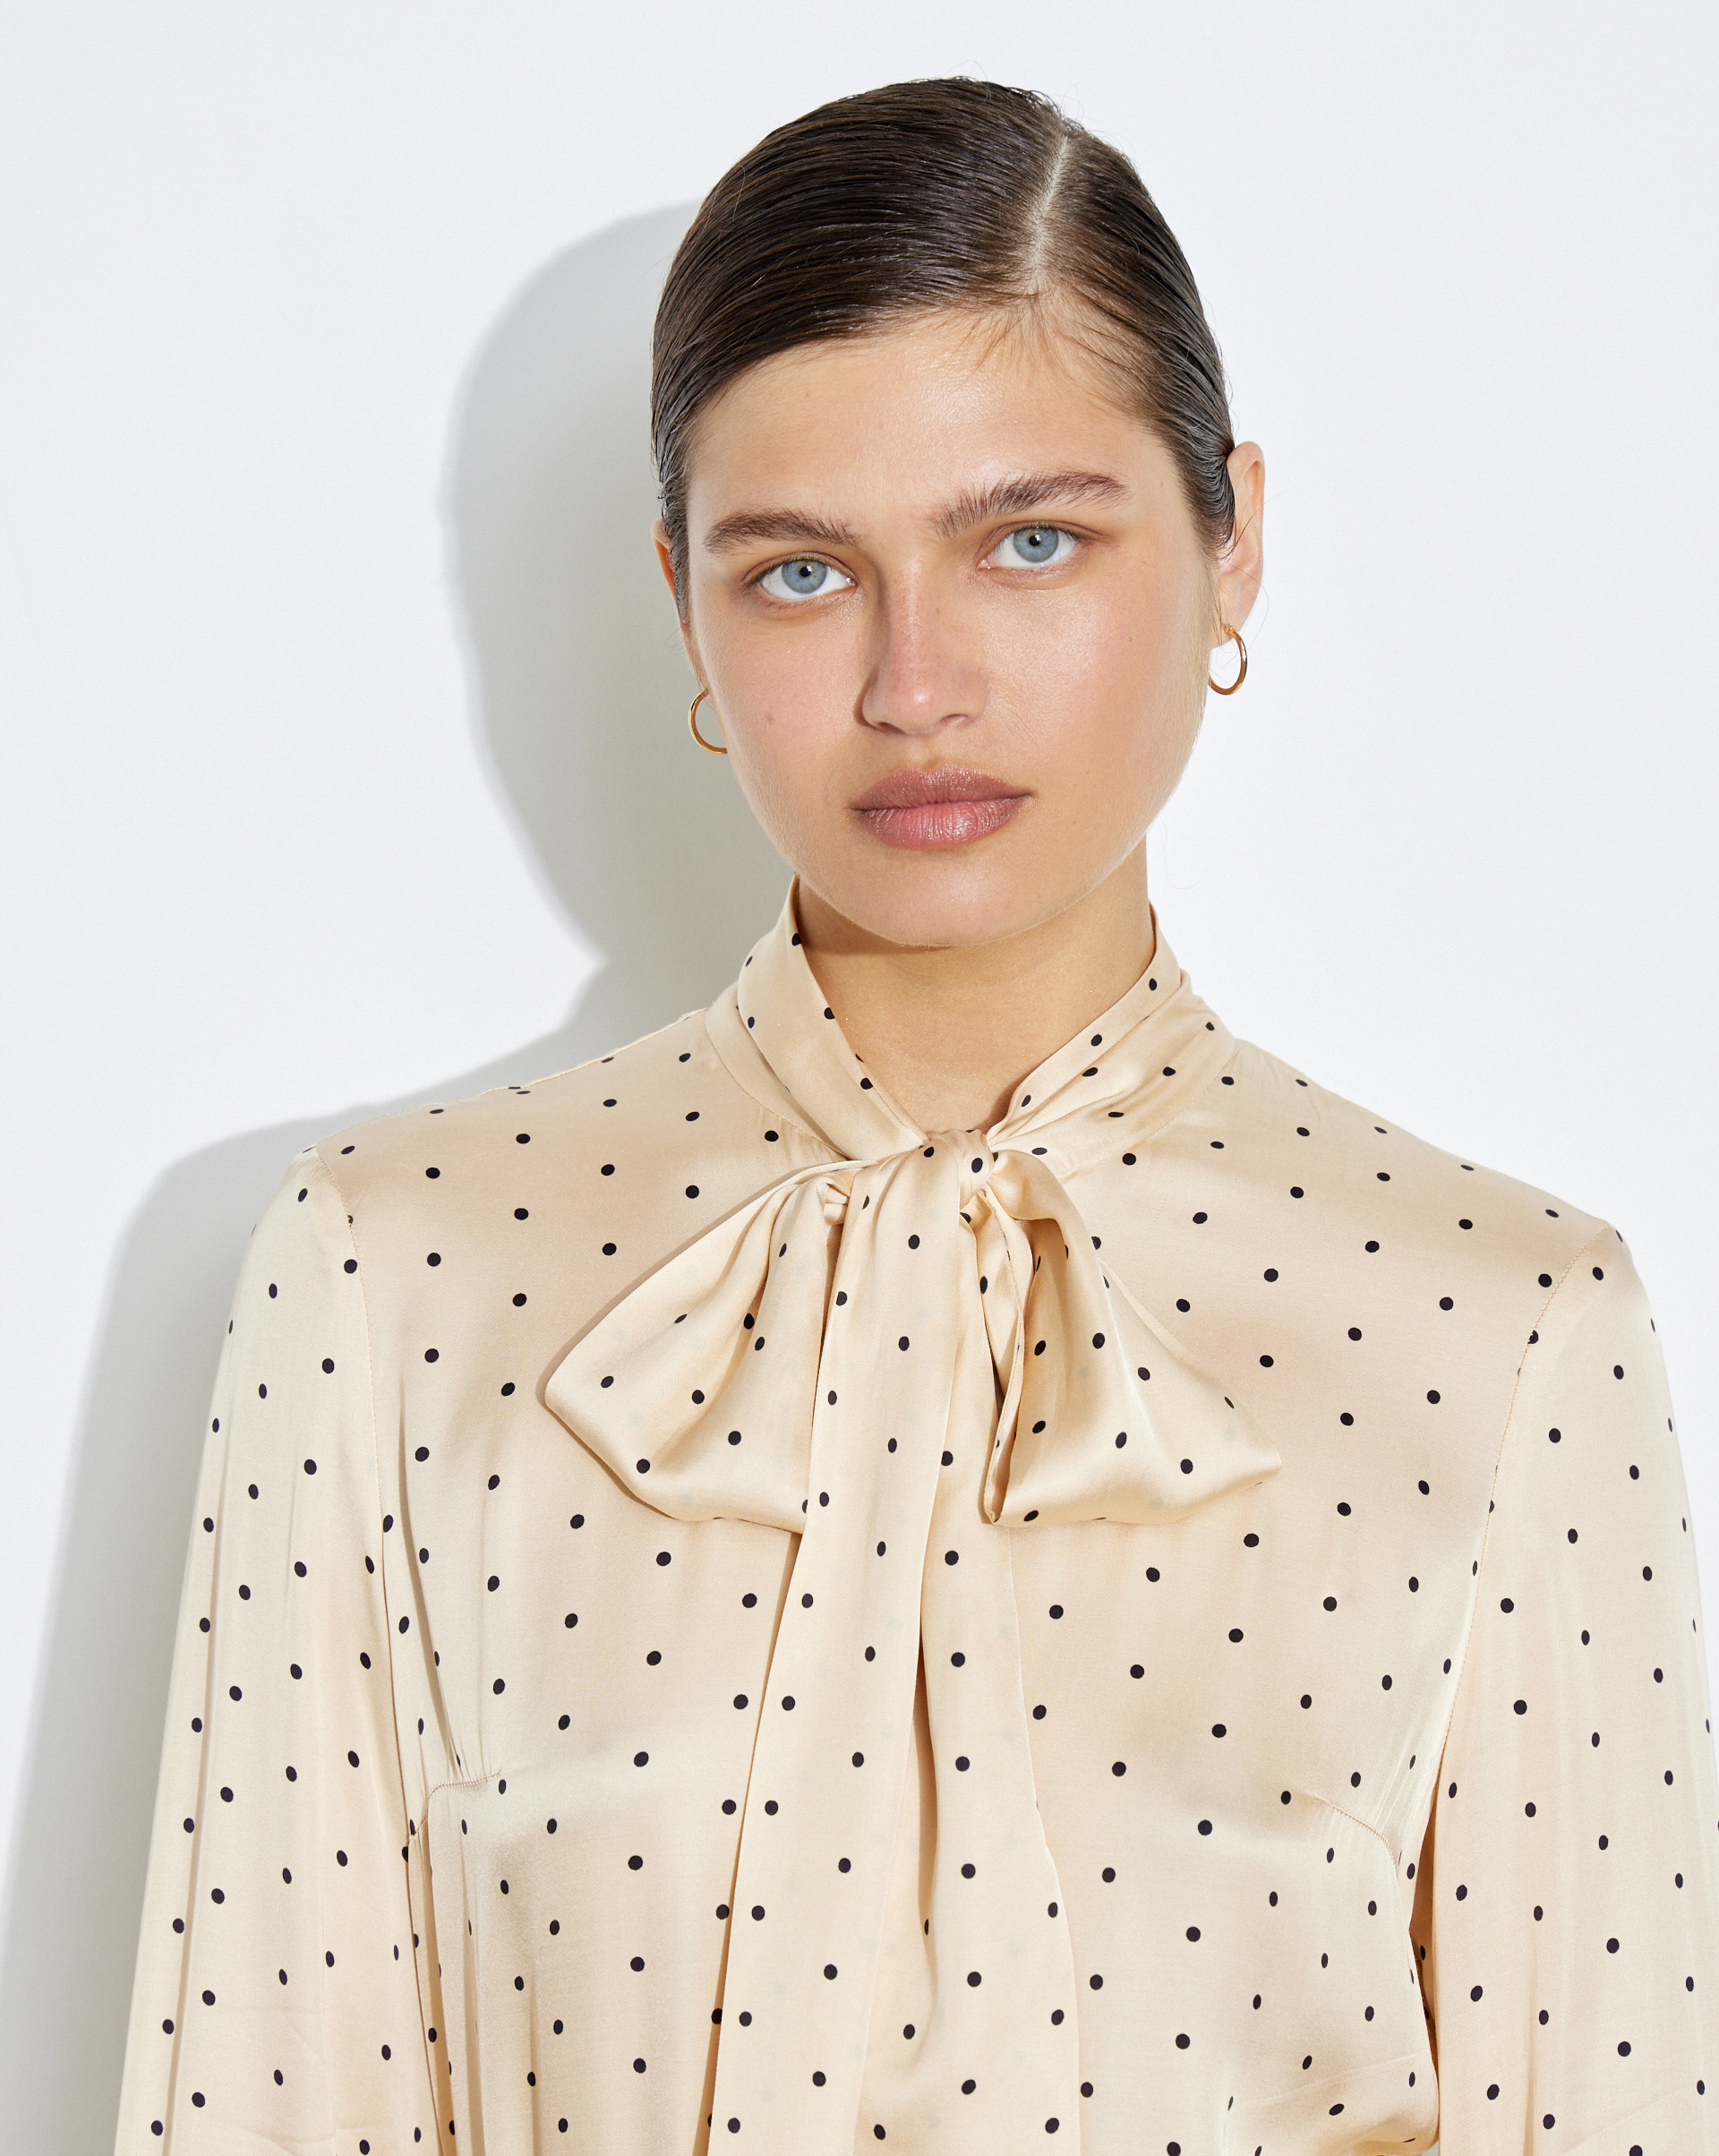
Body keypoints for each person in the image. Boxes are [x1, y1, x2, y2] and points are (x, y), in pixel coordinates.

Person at [114, 77, 1718, 2156]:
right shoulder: (390, 1274)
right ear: (684, 602)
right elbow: (252, 2093)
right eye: (801, 573)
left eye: (1032, 541)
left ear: (1231, 539)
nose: (915, 684)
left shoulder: (1504, 1324)